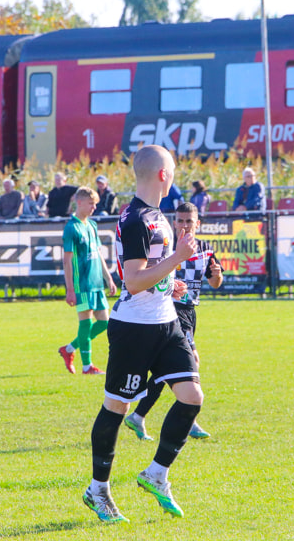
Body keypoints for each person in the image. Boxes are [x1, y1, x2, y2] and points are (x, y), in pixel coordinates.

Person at [83, 145, 201, 523]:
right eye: (174, 169)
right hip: (133, 329)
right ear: (163, 174)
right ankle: (97, 490)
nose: (175, 175)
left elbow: (152, 272)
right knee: (117, 407)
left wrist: (170, 281)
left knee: (191, 396)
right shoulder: (135, 218)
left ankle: (156, 475)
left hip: (165, 323)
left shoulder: (157, 216)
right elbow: (131, 281)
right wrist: (177, 260)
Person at [124, 202, 222, 442]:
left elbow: (215, 283)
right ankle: (188, 417)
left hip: (190, 312)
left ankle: (138, 415)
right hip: (171, 309)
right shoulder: (167, 247)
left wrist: (217, 276)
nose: (185, 225)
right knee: (192, 360)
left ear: (197, 224)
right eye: (180, 220)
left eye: (189, 221)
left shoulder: (206, 249)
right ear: (174, 222)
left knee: (166, 368)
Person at [58, 187, 118, 375]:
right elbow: (67, 260)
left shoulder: (92, 225)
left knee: (104, 322)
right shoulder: (71, 227)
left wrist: (108, 278)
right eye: (91, 203)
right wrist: (70, 289)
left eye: (96, 204)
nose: (94, 207)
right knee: (85, 322)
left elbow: (98, 253)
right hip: (81, 284)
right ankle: (87, 366)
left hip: (96, 283)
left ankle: (69, 349)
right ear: (80, 202)